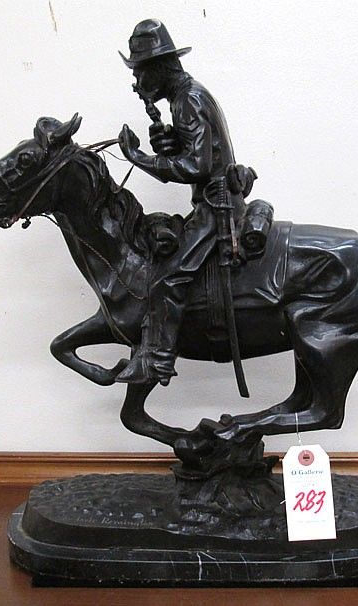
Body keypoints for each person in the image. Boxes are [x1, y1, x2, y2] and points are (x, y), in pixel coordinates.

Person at [117, 19, 253, 385]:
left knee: (167, 278)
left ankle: (158, 361)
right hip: (212, 203)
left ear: (158, 68)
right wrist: (172, 144)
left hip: (217, 209)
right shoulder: (185, 96)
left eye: (140, 72)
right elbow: (200, 151)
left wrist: (139, 158)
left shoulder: (188, 100)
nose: (137, 82)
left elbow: (197, 166)